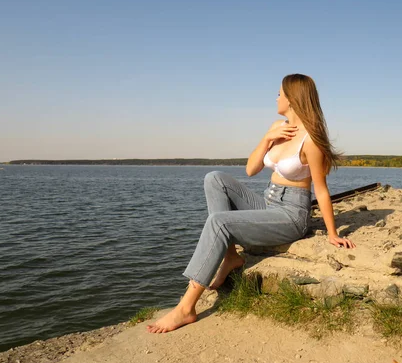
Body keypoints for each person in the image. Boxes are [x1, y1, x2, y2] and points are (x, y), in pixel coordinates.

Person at [147, 74, 356, 334]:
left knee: (219, 222)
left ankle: (186, 307)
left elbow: (321, 191)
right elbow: (250, 170)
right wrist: (268, 138)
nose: (276, 97)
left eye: (280, 93)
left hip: (291, 214)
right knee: (214, 178)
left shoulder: (311, 140)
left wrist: (333, 234)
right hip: (267, 202)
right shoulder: (277, 128)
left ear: (292, 99)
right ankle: (231, 257)